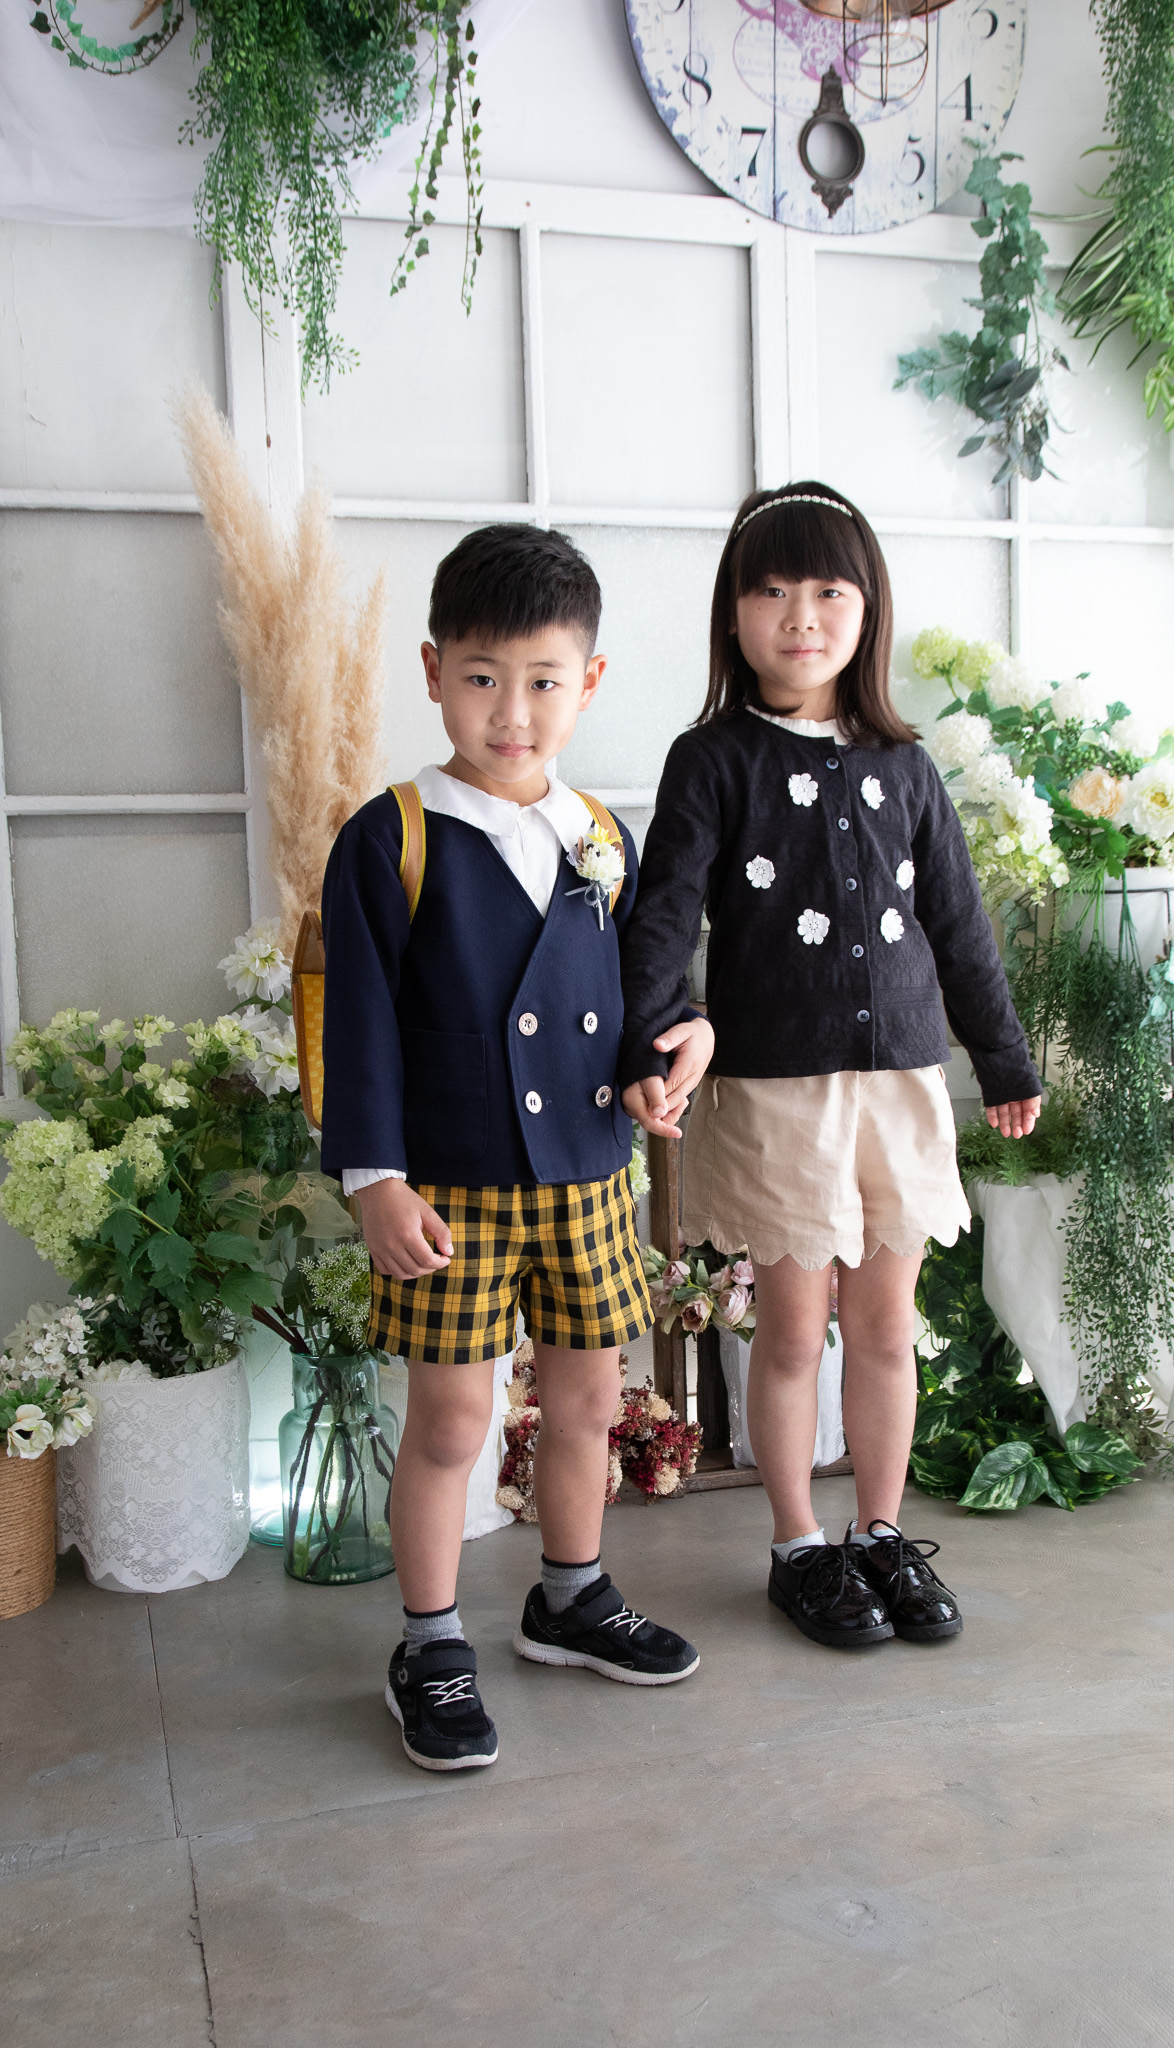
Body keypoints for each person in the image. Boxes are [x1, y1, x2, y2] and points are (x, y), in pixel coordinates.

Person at [619, 484, 1041, 1651]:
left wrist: (1003, 1056)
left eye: (826, 590)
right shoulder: (712, 759)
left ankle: (882, 1533)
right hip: (775, 1091)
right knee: (796, 1330)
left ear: (867, 609)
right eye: (770, 590)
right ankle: (800, 1544)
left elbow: (960, 925)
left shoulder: (906, 765)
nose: (799, 615)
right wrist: (651, 1035)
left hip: (900, 1083)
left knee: (889, 1327)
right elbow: (664, 916)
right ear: (734, 613)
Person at [320, 524, 714, 1771]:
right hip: (448, 1185)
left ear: (588, 682)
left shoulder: (601, 832)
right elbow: (357, 1020)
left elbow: (639, 993)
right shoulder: (391, 834)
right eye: (484, 677)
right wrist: (375, 1178)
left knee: (589, 1396)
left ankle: (571, 1595)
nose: (513, 710)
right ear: (434, 671)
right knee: (452, 1421)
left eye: (544, 679)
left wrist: (674, 1049)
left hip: (588, 1173)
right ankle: (431, 1640)